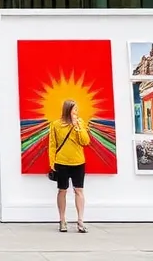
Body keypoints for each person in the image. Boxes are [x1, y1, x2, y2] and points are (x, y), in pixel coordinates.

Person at [48, 98, 90, 233]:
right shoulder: (56, 125)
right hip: (61, 162)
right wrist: (52, 162)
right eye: (75, 109)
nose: (77, 112)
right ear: (68, 110)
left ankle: (80, 220)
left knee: (79, 190)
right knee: (62, 190)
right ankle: (62, 220)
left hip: (78, 161)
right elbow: (52, 145)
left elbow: (85, 141)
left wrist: (77, 127)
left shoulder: (80, 122)